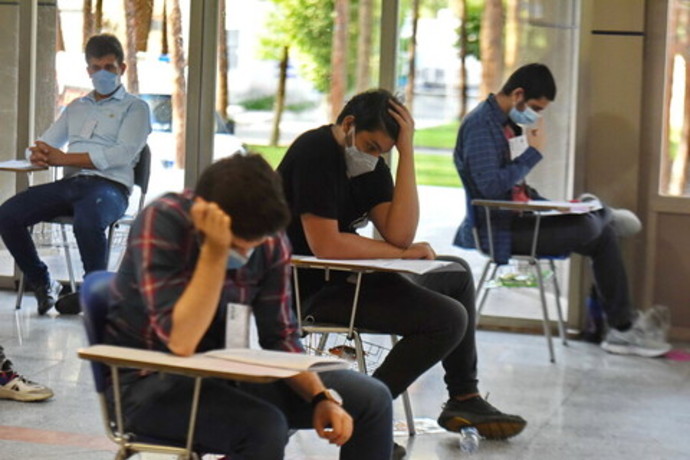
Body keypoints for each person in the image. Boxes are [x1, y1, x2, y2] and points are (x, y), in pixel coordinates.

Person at [104, 154, 394, 459]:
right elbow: (181, 342)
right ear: (205, 215)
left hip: (225, 373)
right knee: (265, 428)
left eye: (252, 246)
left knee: (371, 399)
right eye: (237, 246)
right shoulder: (163, 222)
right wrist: (215, 254)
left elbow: (280, 336)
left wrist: (320, 397)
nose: (245, 255)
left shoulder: (266, 238)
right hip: (151, 384)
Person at [277, 89, 527, 440]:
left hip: (349, 279)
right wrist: (401, 254)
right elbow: (326, 244)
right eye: (371, 146)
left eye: (383, 151)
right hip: (309, 289)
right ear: (348, 125)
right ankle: (364, 416)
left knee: (455, 273)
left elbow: (401, 234)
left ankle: (464, 397)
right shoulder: (315, 151)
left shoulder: (368, 164)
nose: (373, 156)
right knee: (447, 319)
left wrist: (407, 153)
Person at [453, 62, 670, 358]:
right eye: (535, 108)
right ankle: (602, 212)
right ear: (518, 94)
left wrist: (555, 206)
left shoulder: (505, 123)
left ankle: (622, 329)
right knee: (589, 226)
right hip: (499, 231)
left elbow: (513, 188)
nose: (536, 116)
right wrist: (533, 153)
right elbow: (490, 188)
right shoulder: (481, 126)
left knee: (603, 235)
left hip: (521, 218)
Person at [0, 33, 150, 315]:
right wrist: (36, 153)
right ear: (88, 71)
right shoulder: (77, 107)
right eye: (96, 67)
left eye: (110, 67)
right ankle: (43, 282)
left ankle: (94, 292)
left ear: (122, 68)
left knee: (88, 219)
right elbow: (46, 142)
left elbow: (122, 154)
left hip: (111, 188)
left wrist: (63, 158)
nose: (103, 74)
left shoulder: (135, 108)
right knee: (8, 214)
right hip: (72, 184)